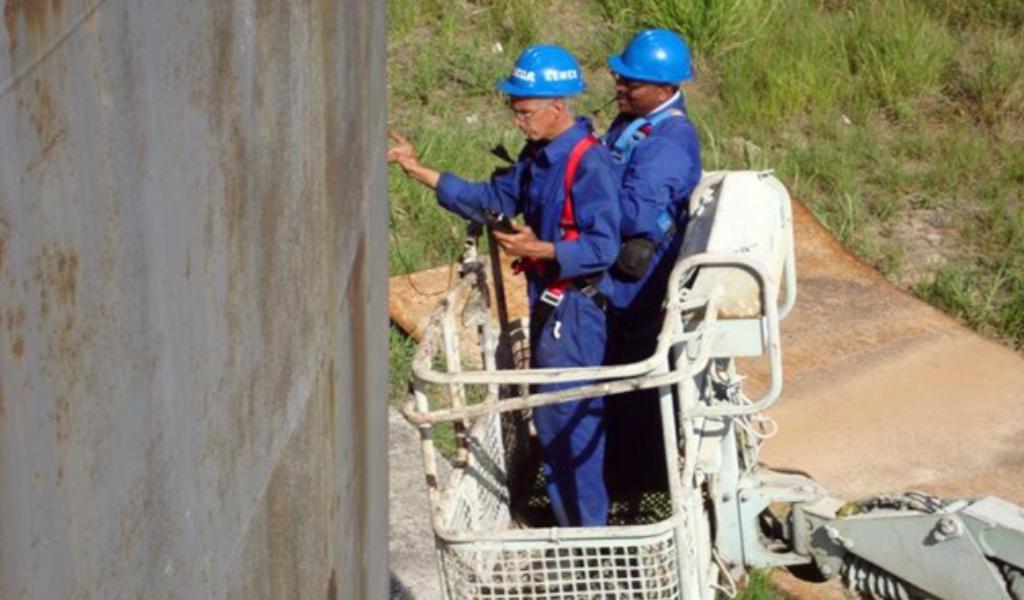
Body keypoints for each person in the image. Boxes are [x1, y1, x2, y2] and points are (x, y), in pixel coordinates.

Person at [388, 45, 621, 527]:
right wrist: (417, 169)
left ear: (558, 107)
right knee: (552, 420)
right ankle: (571, 529)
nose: (518, 121)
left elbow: (604, 247)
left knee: (569, 419)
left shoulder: (588, 164)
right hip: (551, 304)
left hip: (576, 311)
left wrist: (542, 250)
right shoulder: (538, 157)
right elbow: (492, 198)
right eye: (514, 111)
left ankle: (590, 539)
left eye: (525, 112)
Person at [601, 29, 703, 495]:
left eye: (631, 83)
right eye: (619, 78)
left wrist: (581, 201)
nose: (620, 88)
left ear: (664, 89)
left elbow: (633, 216)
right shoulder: (634, 121)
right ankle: (621, 472)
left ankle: (638, 484)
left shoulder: (668, 142)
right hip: (623, 280)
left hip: (638, 287)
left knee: (635, 385)